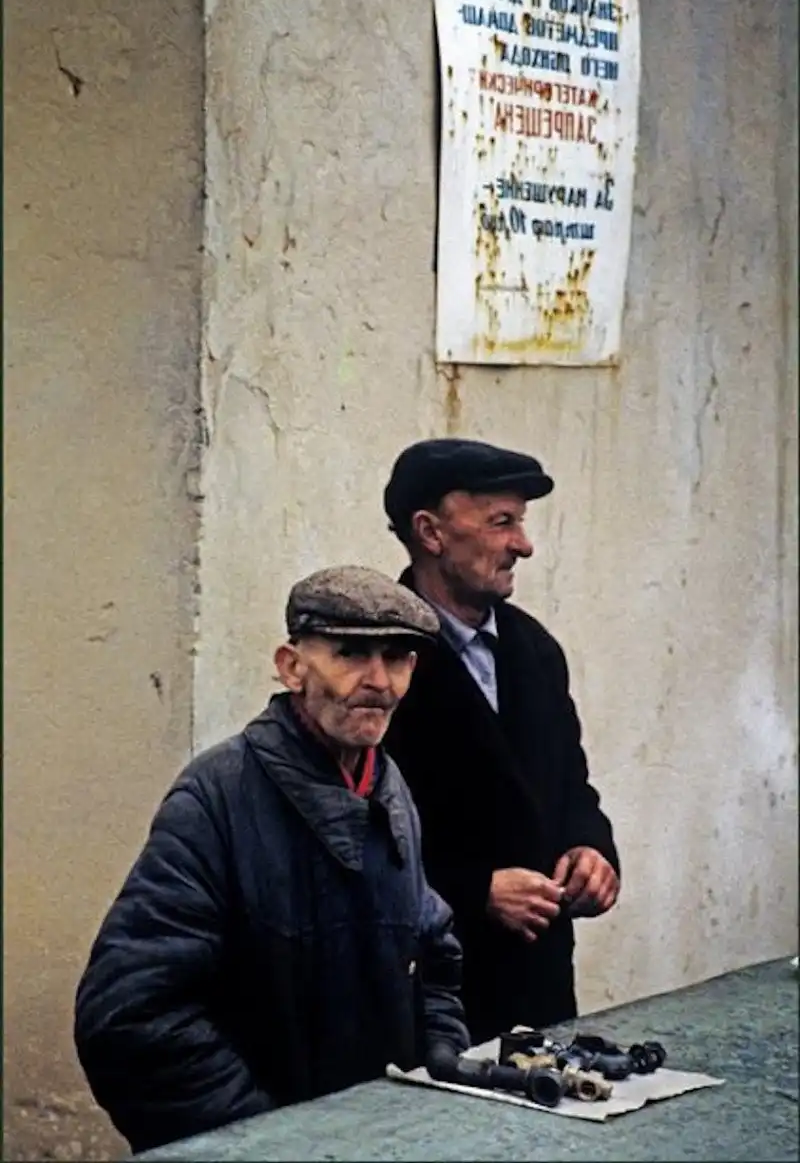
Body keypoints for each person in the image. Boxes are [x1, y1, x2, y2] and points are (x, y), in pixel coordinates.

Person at [74, 566, 469, 1154]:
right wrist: (266, 1139)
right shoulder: (216, 798)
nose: (378, 681)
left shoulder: (388, 789)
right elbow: (130, 1018)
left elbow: (433, 947)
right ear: (291, 667)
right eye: (350, 654)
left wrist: (439, 1056)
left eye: (397, 657)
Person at [381, 438, 621, 1045]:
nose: (524, 544)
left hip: (539, 991)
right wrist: (474, 892)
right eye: (502, 522)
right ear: (430, 532)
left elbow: (570, 787)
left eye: (521, 522)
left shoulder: (535, 650)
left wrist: (591, 850)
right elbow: (355, 839)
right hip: (429, 999)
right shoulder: (377, 660)